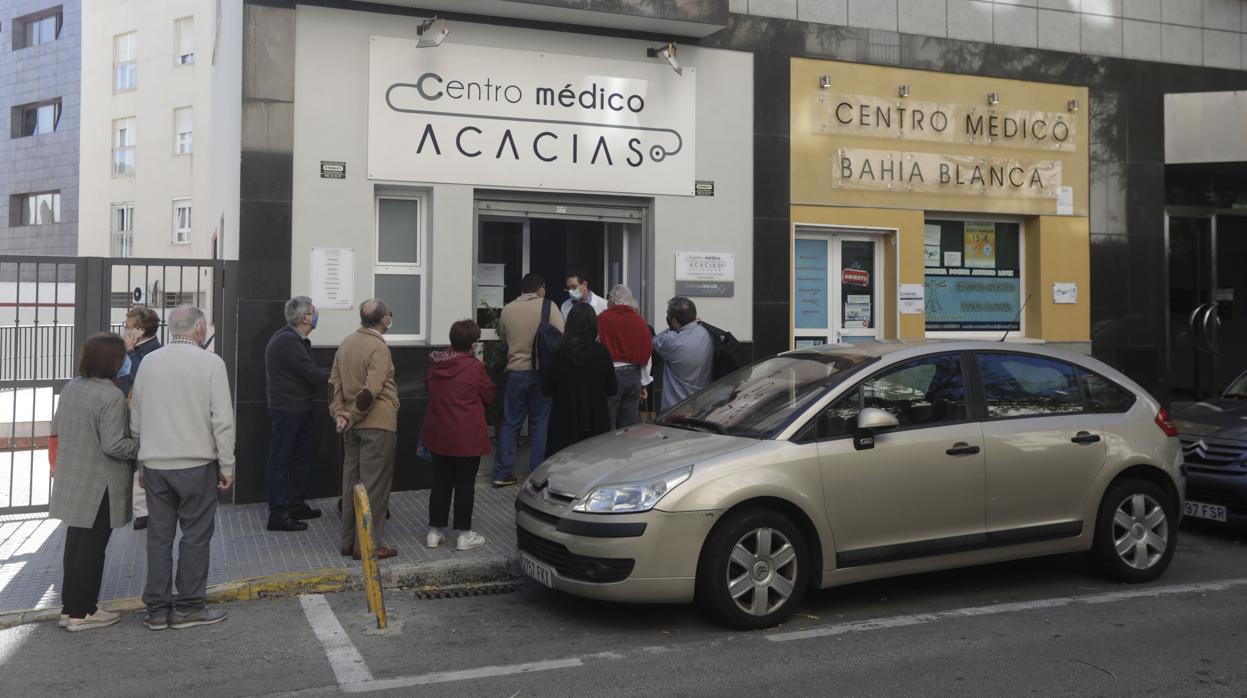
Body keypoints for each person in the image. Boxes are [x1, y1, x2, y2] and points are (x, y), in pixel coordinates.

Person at [130, 305, 235, 630]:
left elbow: (136, 417)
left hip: (156, 465)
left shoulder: (149, 362)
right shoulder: (211, 364)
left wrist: (141, 463)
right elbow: (223, 421)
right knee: (195, 537)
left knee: (158, 538)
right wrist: (227, 465)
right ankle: (189, 607)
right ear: (200, 330)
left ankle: (157, 611)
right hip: (196, 465)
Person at [48, 333, 140, 632]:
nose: (127, 359)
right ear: (111, 361)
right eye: (123, 354)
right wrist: (141, 446)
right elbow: (114, 445)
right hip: (101, 485)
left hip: (75, 480)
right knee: (92, 549)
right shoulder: (110, 396)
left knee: (75, 545)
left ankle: (69, 608)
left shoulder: (72, 387)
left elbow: (59, 427)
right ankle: (83, 612)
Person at [330, 298, 399, 560]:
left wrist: (340, 414)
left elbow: (333, 383)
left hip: (350, 427)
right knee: (374, 487)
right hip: (377, 425)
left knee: (351, 483)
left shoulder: (346, 342)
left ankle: (348, 542)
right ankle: (367, 544)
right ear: (384, 320)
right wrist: (353, 414)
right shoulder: (378, 347)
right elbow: (372, 389)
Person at [422, 320, 494, 551]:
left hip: (439, 432)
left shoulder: (435, 364)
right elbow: (490, 395)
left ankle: (434, 532)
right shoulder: (474, 367)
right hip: (466, 436)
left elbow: (428, 388)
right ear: (473, 344)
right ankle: (464, 534)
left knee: (441, 482)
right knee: (465, 484)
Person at [264, 296, 331, 532]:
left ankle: (295, 504)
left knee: (301, 457)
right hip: (288, 408)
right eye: (313, 310)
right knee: (281, 460)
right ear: (304, 317)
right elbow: (310, 373)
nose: (316, 313)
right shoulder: (287, 341)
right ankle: (278, 514)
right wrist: (339, 373)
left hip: (298, 406)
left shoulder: (294, 339)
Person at [494, 273, 563, 487]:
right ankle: (536, 474)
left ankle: (502, 472)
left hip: (516, 372)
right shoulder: (549, 307)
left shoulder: (507, 309)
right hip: (541, 373)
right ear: (540, 288)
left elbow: (504, 339)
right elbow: (561, 336)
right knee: (540, 424)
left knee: (510, 423)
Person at [543, 303, 617, 457]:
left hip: (564, 420)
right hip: (595, 421)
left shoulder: (558, 351)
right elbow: (612, 388)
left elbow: (547, 388)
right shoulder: (601, 351)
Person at [120, 306, 161, 531]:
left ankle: (144, 511)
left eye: (128, 327)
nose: (125, 331)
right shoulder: (135, 349)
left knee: (142, 461)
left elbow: (140, 377)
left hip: (146, 414)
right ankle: (141, 510)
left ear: (140, 329)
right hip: (133, 409)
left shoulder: (151, 350)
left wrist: (131, 352)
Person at [597, 284, 652, 429]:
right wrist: (644, 382)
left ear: (612, 300)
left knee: (607, 425)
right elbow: (647, 354)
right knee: (628, 428)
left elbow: (595, 347)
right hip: (633, 377)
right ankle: (624, 451)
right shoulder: (640, 321)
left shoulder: (602, 319)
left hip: (610, 376)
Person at [652, 297, 714, 412]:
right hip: (702, 405)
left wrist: (670, 328)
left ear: (674, 321)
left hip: (675, 408)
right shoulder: (707, 334)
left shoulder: (671, 340)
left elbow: (655, 341)